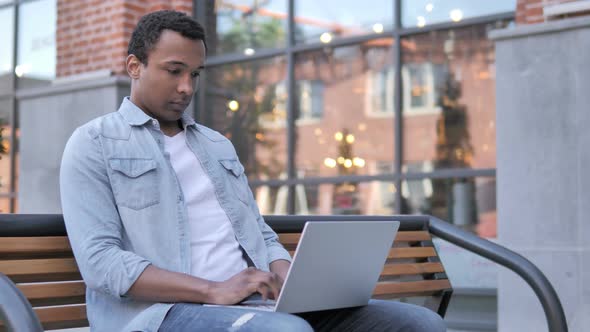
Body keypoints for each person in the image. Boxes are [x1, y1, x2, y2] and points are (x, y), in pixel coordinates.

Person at [60, 10, 446, 332]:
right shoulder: (94, 143)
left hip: (251, 304)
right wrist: (213, 290)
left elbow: (258, 232)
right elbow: (101, 263)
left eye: (194, 74)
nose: (186, 87)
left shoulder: (215, 145)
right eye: (174, 70)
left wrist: (293, 281)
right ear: (135, 66)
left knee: (418, 323)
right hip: (162, 314)